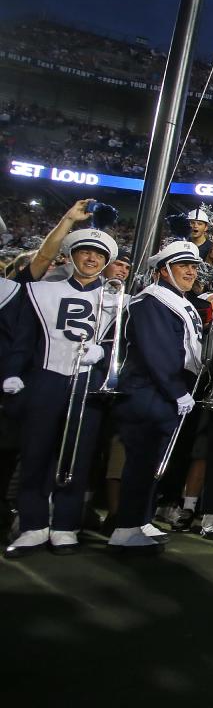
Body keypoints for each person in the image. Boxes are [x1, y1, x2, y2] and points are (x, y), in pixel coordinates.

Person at [2, 228, 120, 557]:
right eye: (84, 252)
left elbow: (122, 348)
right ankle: (32, 526)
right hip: (46, 376)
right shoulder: (41, 292)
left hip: (87, 382)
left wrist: (104, 355)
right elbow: (23, 339)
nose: (91, 258)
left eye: (99, 255)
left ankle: (65, 526)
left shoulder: (116, 299)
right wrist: (12, 372)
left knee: (79, 456)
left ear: (106, 261)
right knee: (35, 452)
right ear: (71, 256)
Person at [109, 240, 206, 551]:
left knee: (154, 461)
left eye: (193, 266)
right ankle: (125, 527)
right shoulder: (151, 301)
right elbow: (158, 352)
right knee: (141, 461)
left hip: (162, 392)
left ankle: (141, 518)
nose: (191, 271)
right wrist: (177, 390)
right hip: (148, 393)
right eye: (183, 266)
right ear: (164, 271)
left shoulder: (176, 299)